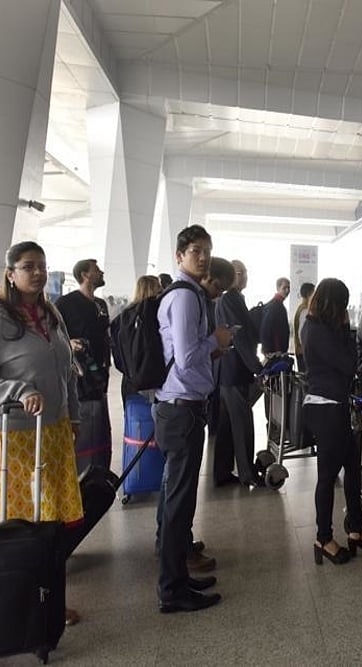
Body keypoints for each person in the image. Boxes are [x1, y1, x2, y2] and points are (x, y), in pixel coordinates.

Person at [0, 241, 83, 625]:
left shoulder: (50, 314)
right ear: (10, 273)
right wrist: (18, 391)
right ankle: (10, 609)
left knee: (48, 526)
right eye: (28, 267)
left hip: (51, 434)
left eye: (42, 266)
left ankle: (46, 602)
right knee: (10, 527)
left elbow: (66, 370)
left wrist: (71, 416)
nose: (38, 273)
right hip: (4, 437)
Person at [153, 225, 233, 613]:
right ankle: (172, 589)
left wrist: (211, 349)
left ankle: (178, 578)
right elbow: (185, 358)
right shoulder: (185, 298)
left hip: (182, 406)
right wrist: (215, 341)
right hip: (181, 408)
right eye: (195, 251)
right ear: (180, 255)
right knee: (178, 501)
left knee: (178, 501)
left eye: (207, 250)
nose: (202, 257)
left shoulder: (191, 295)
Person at [301, 278, 362, 565]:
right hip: (325, 408)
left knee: (353, 467)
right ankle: (323, 537)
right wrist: (345, 329)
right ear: (336, 304)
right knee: (328, 475)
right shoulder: (317, 330)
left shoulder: (317, 326)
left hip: (334, 405)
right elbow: (349, 363)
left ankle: (356, 529)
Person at [55, 259, 112, 474]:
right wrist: (68, 344)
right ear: (84, 274)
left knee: (100, 426)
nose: (101, 272)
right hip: (80, 378)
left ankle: (99, 472)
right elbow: (54, 333)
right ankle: (82, 474)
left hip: (100, 376)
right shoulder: (65, 303)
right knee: (85, 425)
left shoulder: (100, 305)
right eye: (96, 270)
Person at [214, 259, 264, 488]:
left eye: (245, 272)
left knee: (227, 425)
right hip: (234, 371)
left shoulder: (237, 299)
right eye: (238, 272)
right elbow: (240, 337)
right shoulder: (229, 299)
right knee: (242, 423)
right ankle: (247, 474)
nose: (243, 276)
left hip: (233, 371)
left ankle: (222, 472)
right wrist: (258, 368)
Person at [110, 275, 162, 406]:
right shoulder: (155, 314)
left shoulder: (123, 317)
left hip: (130, 382)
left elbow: (117, 354)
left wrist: (131, 371)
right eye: (159, 287)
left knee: (135, 423)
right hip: (155, 382)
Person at [260, 277, 291, 356]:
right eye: (284, 288)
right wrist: (268, 350)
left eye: (288, 288)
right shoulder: (275, 306)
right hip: (275, 351)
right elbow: (266, 328)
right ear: (278, 288)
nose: (287, 291)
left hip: (277, 350)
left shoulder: (277, 304)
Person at [292, 282, 315, 371]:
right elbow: (303, 334)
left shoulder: (301, 308)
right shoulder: (305, 310)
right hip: (304, 353)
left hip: (302, 352)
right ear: (309, 294)